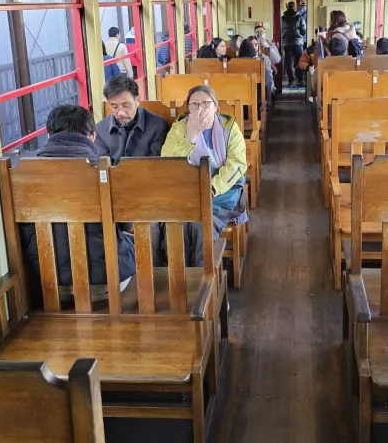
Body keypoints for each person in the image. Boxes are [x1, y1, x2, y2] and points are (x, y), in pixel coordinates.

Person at [20, 105, 136, 303]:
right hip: (108, 283)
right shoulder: (109, 174)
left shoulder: (23, 177)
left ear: (49, 135)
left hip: (49, 286)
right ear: (92, 136)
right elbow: (126, 226)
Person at [162, 85, 248, 264]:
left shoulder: (229, 127)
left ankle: (203, 277)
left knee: (200, 225)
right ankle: (180, 275)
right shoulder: (180, 128)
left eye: (205, 104)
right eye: (194, 104)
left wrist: (212, 188)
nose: (200, 109)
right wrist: (190, 137)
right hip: (187, 191)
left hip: (221, 190)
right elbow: (167, 161)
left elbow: (237, 164)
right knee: (177, 226)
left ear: (215, 106)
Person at [94, 74, 167, 165]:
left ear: (137, 100)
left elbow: (155, 163)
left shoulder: (157, 125)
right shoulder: (100, 129)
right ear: (109, 105)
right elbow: (103, 165)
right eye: (115, 107)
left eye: (126, 106)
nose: (120, 113)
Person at [281, 1, 306, 86]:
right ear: (295, 7)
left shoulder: (282, 18)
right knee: (299, 61)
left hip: (287, 43)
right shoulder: (299, 17)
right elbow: (303, 31)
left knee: (288, 62)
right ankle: (300, 79)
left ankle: (290, 80)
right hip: (298, 43)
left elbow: (280, 30)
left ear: (287, 7)